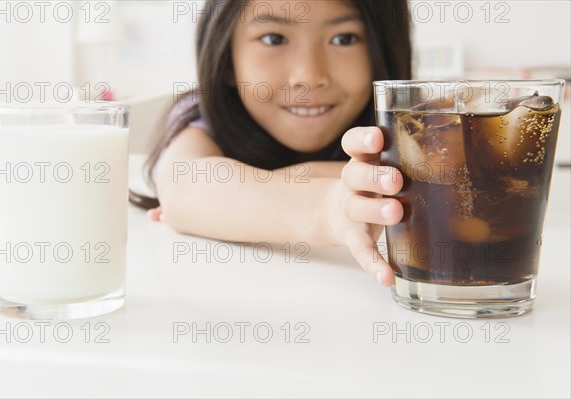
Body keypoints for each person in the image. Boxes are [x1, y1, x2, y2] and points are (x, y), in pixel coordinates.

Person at [129, 0, 411, 287]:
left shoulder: (417, 126)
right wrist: (329, 207)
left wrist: (253, 192)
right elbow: (184, 186)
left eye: (344, 39)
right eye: (273, 38)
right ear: (226, 60)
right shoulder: (204, 114)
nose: (309, 77)